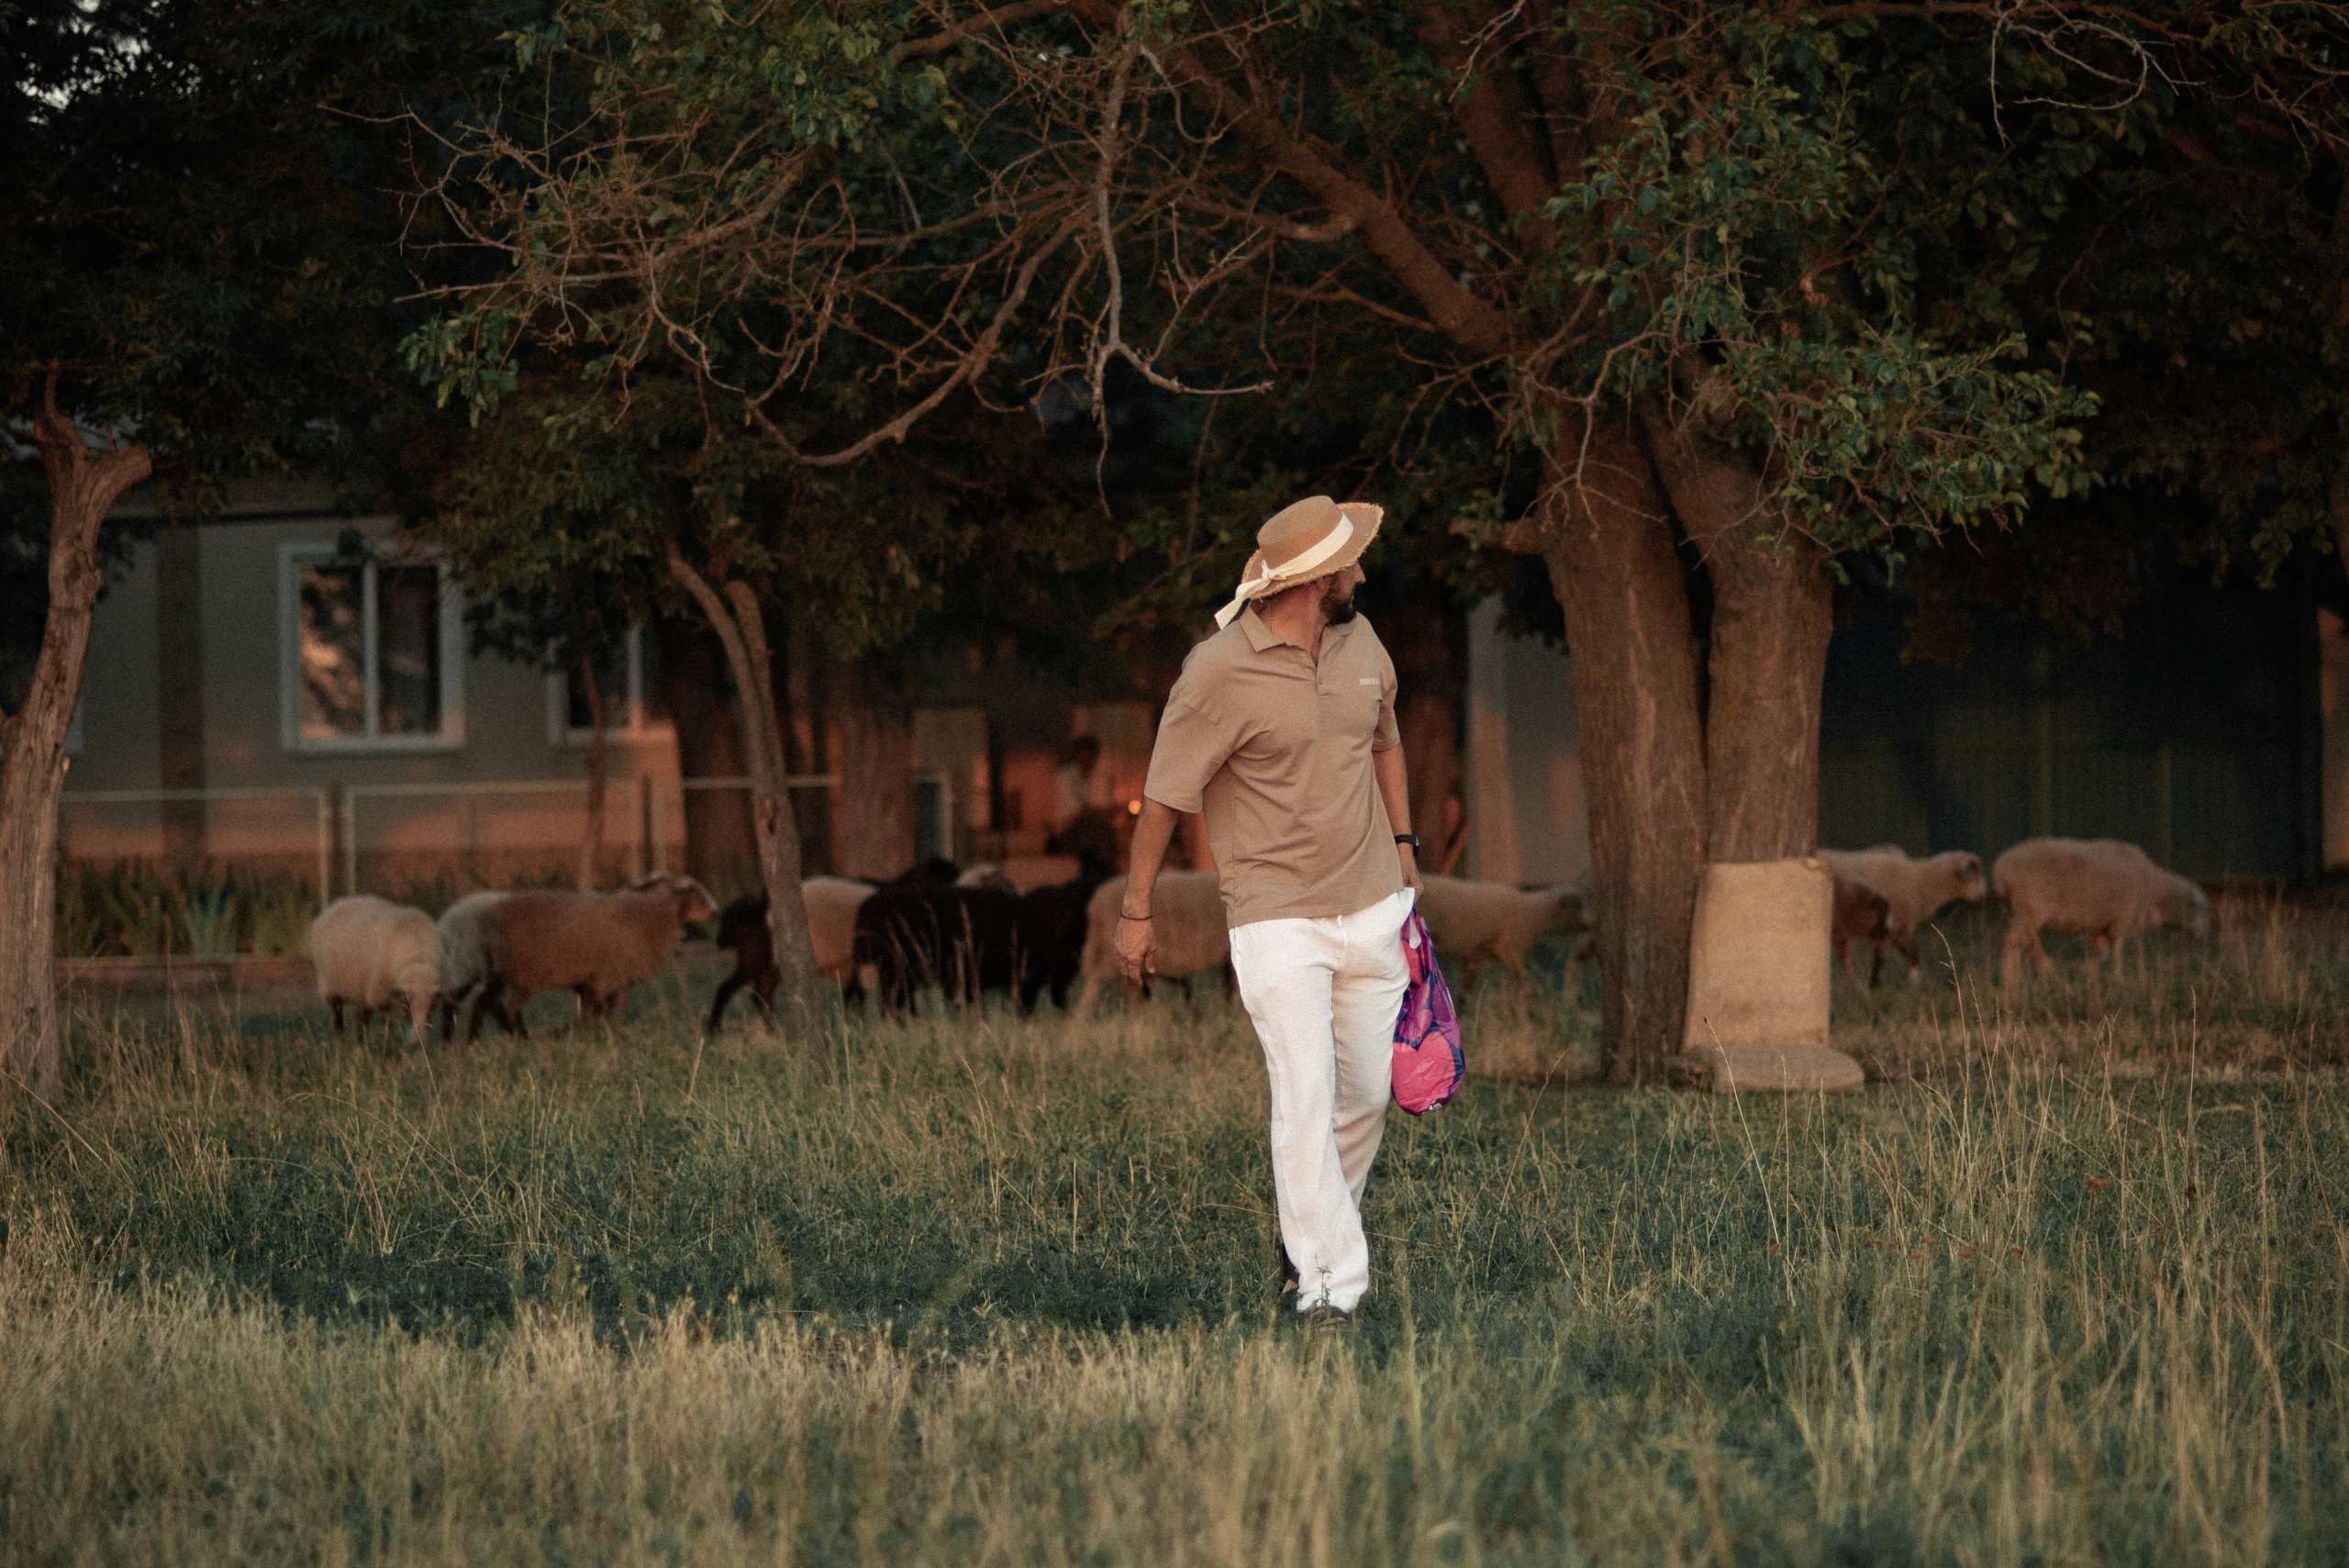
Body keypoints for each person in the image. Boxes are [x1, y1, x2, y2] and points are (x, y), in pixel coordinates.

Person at [1118, 495, 1420, 1329]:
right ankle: (1332, 1288)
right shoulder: (1215, 671)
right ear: (1314, 579)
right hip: (1274, 916)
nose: (1362, 572)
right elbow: (1166, 794)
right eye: (1349, 563)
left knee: (1363, 1095)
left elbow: (1386, 739)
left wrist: (1405, 849)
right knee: (1305, 1091)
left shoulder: (1362, 640)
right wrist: (1136, 911)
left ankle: (1309, 1237)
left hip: (1370, 905)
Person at [1046, 735, 1119, 873]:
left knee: (1096, 830)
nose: (1086, 760)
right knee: (1095, 830)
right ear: (1076, 756)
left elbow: (1103, 809)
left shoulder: (1102, 778)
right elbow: (1074, 812)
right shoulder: (1065, 778)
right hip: (1069, 831)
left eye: (1089, 756)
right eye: (1083, 755)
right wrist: (1093, 811)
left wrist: (1092, 811)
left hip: (1093, 832)